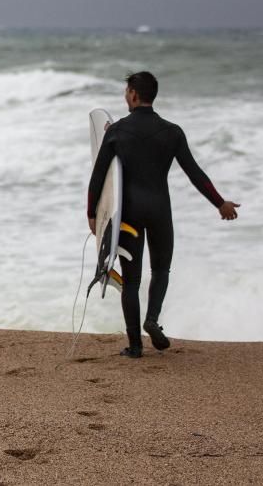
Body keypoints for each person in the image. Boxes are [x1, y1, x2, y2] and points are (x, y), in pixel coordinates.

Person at [87, 71, 240, 358]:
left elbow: (98, 178)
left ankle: (134, 346)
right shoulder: (172, 132)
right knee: (160, 270)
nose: (125, 96)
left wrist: (93, 214)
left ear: (133, 94)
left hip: (129, 217)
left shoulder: (117, 131)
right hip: (159, 212)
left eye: (126, 92)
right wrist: (220, 203)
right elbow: (195, 173)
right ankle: (152, 319)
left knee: (131, 282)